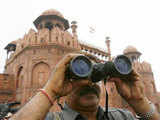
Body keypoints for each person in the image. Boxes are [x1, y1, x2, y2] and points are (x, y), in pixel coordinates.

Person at [10, 53, 160, 120]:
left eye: (95, 77)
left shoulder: (121, 117)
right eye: (81, 74)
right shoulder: (49, 118)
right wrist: (51, 90)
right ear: (64, 81)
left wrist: (140, 101)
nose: (89, 82)